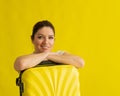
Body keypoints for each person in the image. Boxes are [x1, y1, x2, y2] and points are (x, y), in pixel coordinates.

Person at [14, 20, 84, 72]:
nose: (46, 42)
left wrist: (47, 55)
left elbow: (80, 62)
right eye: (40, 37)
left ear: (54, 40)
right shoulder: (29, 59)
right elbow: (20, 64)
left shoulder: (60, 54)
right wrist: (45, 54)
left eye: (50, 38)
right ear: (32, 39)